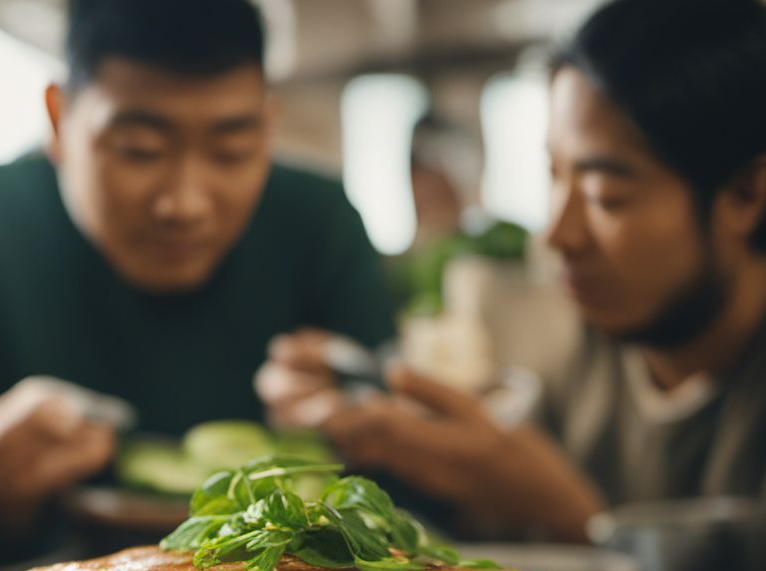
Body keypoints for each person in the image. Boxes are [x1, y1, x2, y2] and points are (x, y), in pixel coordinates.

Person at [0, 0, 394, 571]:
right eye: (139, 149)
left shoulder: (320, 224)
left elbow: (402, 519)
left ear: (268, 124)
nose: (185, 203)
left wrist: (374, 423)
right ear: (59, 119)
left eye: (231, 151)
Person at [258, 0, 766, 540]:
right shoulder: (592, 354)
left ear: (745, 195)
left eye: (605, 195)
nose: (557, 234)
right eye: (554, 176)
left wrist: (576, 517)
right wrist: (396, 427)